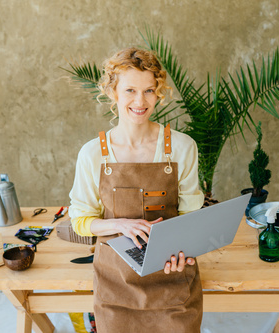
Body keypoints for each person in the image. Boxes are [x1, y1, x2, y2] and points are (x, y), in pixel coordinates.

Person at [69, 47, 204, 332]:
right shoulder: (92, 154)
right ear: (112, 92)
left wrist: (183, 252)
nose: (140, 101)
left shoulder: (182, 146)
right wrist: (121, 224)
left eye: (149, 91)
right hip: (116, 286)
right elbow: (80, 222)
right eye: (130, 90)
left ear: (159, 93)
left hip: (172, 279)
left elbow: (192, 218)